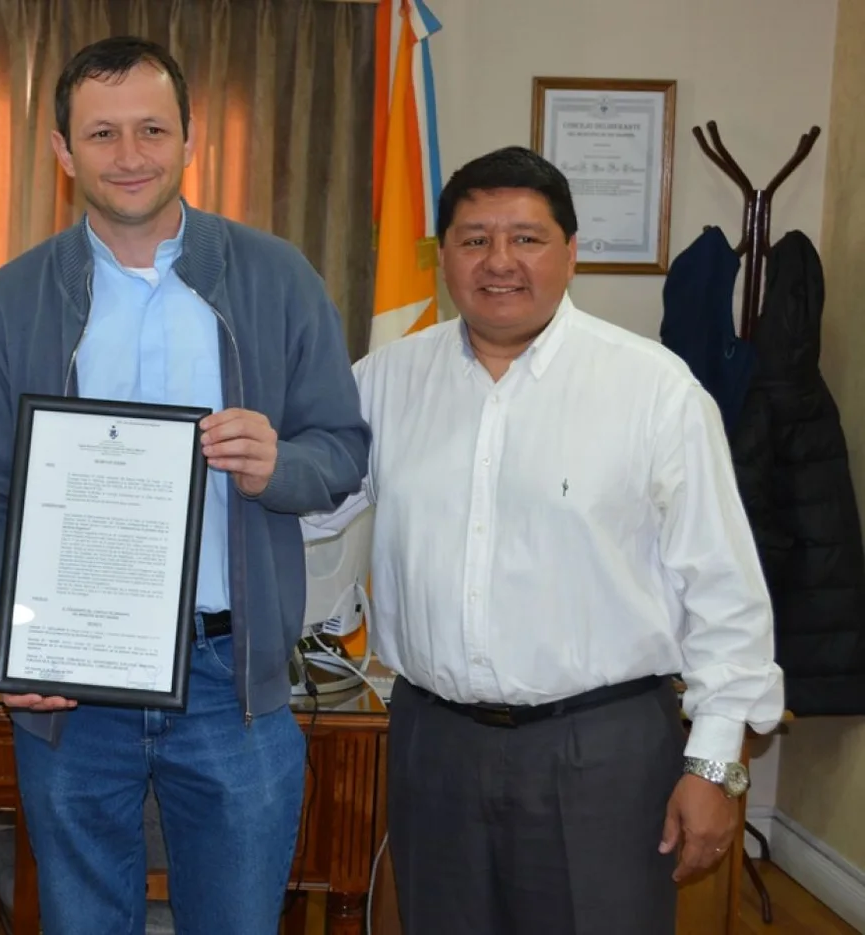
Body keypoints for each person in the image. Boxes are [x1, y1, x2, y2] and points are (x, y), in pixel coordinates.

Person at [0, 36, 370, 935]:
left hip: (230, 676)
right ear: (63, 151)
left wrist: (279, 464)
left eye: (151, 129)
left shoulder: (278, 278)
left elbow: (343, 449)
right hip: (70, 686)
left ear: (190, 140)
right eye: (102, 133)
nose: (129, 156)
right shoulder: (14, 297)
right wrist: (6, 627)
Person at [304, 145, 785, 935]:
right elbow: (317, 520)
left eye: (526, 238)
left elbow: (723, 587)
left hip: (602, 752)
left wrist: (712, 762)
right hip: (435, 745)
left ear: (571, 251)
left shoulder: (654, 390)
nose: (500, 262)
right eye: (473, 238)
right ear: (443, 256)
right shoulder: (380, 382)